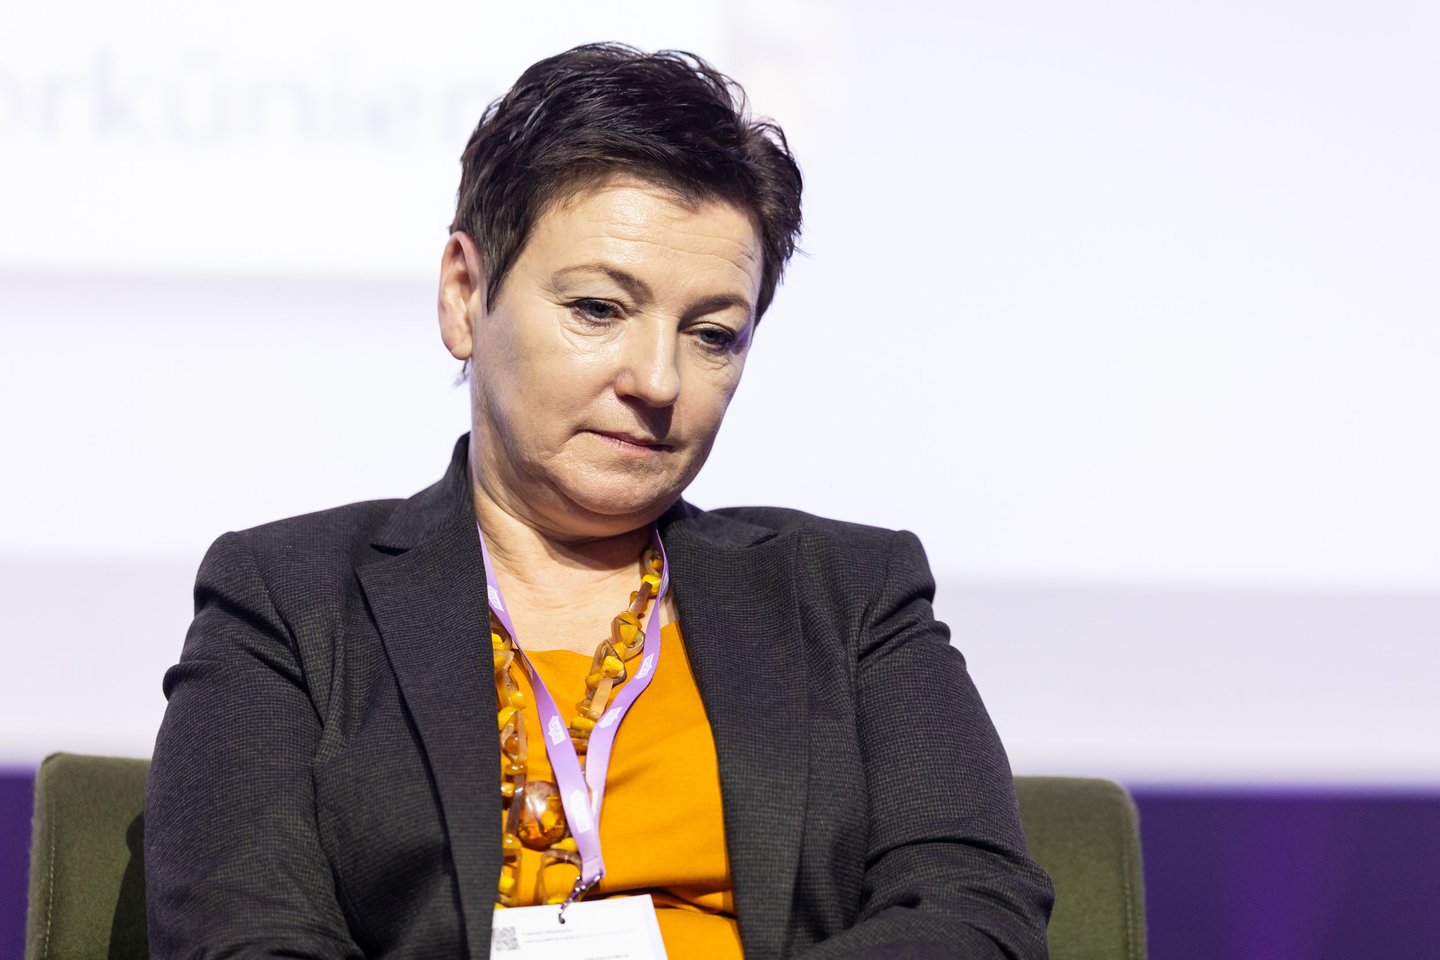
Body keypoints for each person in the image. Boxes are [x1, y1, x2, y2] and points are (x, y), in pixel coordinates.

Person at [144, 43, 1053, 959]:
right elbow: (245, 937)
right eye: (598, 309)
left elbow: (975, 911)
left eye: (712, 334)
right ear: (464, 294)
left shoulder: (849, 595)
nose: (658, 380)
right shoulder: (289, 600)